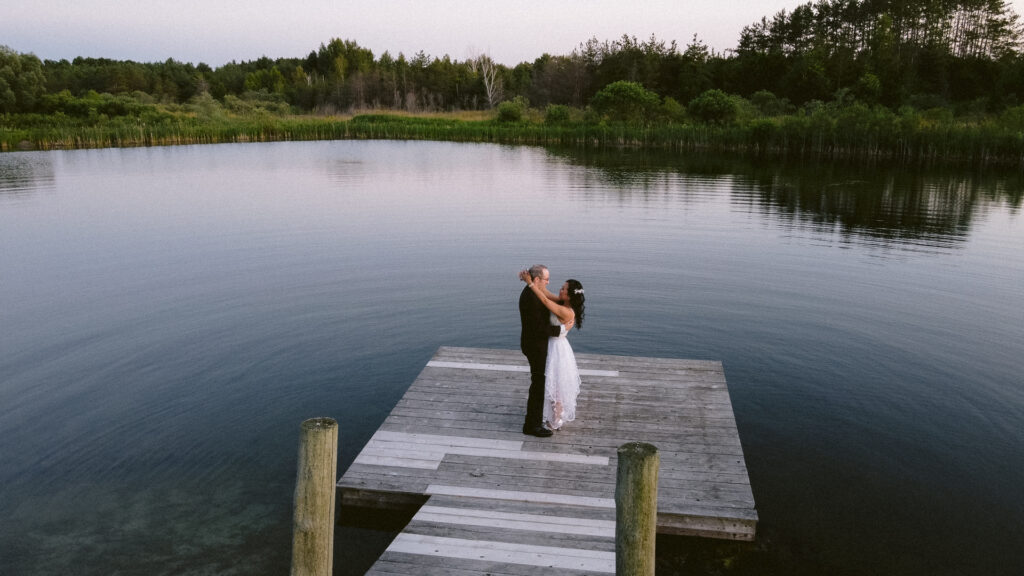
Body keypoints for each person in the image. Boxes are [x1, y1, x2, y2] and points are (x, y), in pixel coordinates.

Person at [519, 270, 586, 431]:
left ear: (569, 296)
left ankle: (556, 419)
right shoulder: (563, 303)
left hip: (557, 348)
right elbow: (546, 294)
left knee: (556, 384)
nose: (559, 289)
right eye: (546, 279)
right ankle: (551, 416)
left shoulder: (564, 310)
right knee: (552, 381)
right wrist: (533, 283)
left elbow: (544, 300)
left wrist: (530, 283)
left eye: (563, 289)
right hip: (552, 345)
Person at [518, 265, 568, 438]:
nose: (549, 282)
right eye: (546, 279)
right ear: (537, 280)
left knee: (540, 383)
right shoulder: (531, 298)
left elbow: (552, 300)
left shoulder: (535, 291)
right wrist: (562, 330)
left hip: (535, 344)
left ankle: (535, 419)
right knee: (538, 384)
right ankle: (531, 425)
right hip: (535, 346)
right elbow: (539, 328)